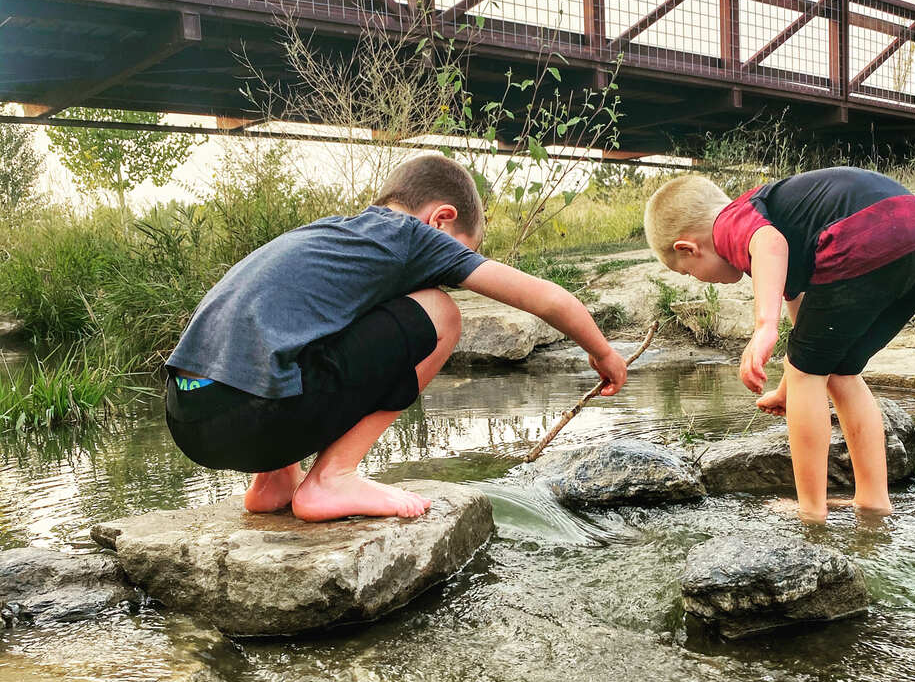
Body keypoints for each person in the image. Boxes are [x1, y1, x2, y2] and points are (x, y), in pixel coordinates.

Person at [165, 154, 628, 522]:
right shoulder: (412, 237)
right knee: (442, 314)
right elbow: (546, 300)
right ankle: (332, 478)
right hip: (252, 418)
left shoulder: (329, 234)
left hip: (187, 417)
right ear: (441, 220)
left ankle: (274, 483)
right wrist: (603, 351)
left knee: (304, 327)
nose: (451, 267)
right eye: (460, 253)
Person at [644, 166, 915, 522]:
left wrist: (764, 327)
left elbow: (769, 244)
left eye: (687, 272)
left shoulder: (730, 223)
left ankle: (810, 512)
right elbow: (808, 332)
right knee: (840, 370)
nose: (697, 280)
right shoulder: (782, 219)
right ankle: (873, 500)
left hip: (862, 239)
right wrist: (787, 387)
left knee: (812, 375)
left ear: (688, 248)